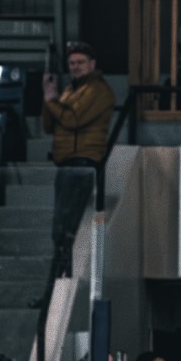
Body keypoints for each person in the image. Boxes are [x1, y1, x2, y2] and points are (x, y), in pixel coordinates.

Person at [41, 42, 115, 269]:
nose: (76, 67)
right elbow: (48, 125)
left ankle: (64, 278)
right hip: (67, 164)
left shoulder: (98, 90)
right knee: (61, 227)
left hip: (83, 163)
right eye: (72, 63)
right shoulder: (70, 91)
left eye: (80, 62)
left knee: (67, 227)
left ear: (92, 64)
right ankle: (58, 281)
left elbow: (73, 120)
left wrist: (51, 101)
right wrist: (50, 100)